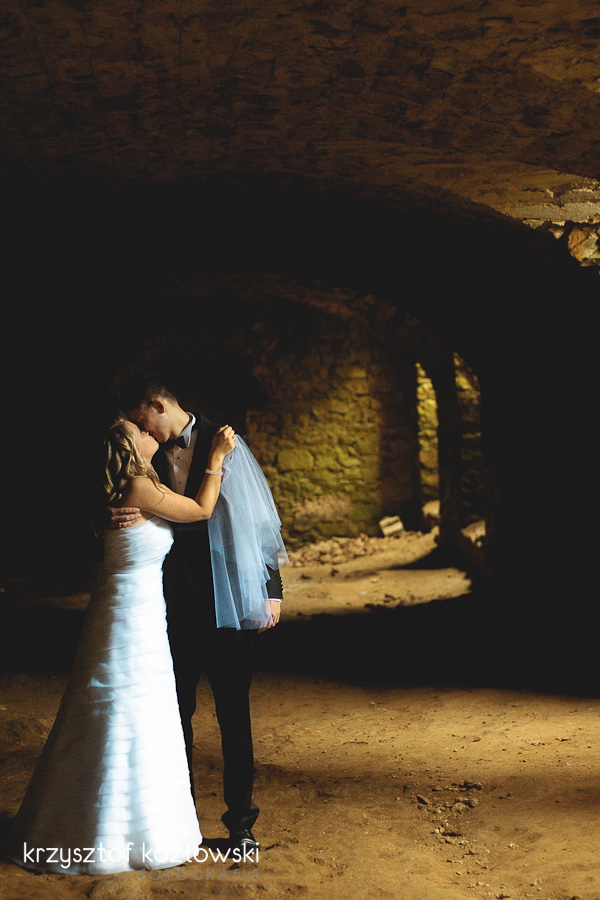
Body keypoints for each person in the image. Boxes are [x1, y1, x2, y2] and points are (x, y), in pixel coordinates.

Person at [7, 418, 236, 874]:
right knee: (120, 707)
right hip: (129, 612)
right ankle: (101, 831)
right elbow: (200, 510)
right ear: (129, 447)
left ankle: (136, 824)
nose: (153, 434)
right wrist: (216, 458)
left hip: (139, 609)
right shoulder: (137, 487)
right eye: (142, 432)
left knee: (139, 710)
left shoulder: (133, 487)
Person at [112, 374, 286, 854]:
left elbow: (258, 521)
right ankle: (182, 821)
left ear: (158, 404)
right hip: (168, 605)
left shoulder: (223, 441)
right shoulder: (143, 457)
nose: (141, 431)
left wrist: (271, 589)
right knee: (176, 713)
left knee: (234, 713)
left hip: (226, 596)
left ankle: (241, 824)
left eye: (142, 420)